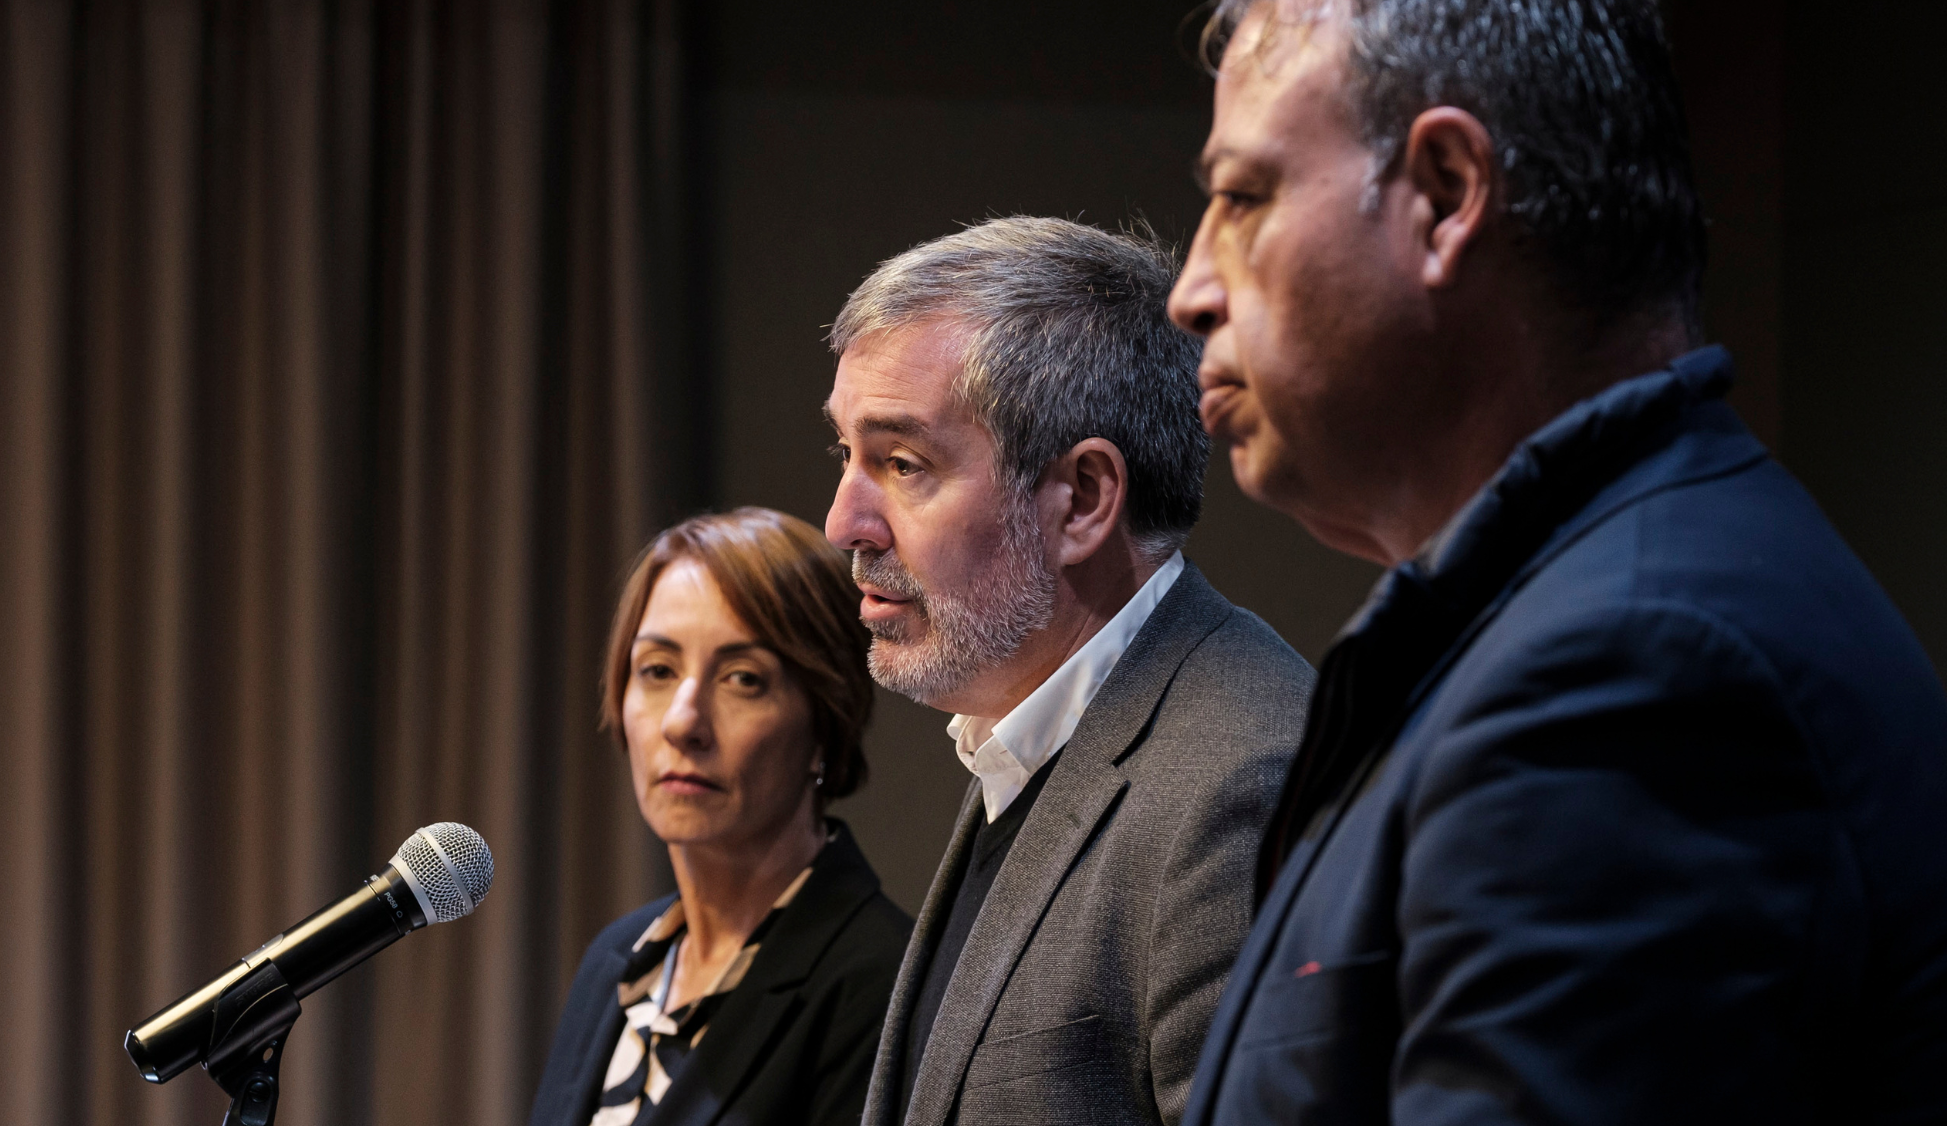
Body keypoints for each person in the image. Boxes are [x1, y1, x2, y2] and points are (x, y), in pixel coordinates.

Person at [1167, 1, 1947, 1123]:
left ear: (1441, 194)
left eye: (1241, 199)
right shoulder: (1567, 618)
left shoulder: (1629, 669)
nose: (1190, 287)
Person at [822, 216, 1316, 1126]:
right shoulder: (1030, 741)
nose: (845, 522)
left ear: (1083, 499)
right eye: (845, 455)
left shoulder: (1242, 784)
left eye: (901, 463)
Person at [528, 508, 912, 1126]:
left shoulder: (886, 986)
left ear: (825, 721)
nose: (682, 721)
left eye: (742, 679)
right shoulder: (615, 961)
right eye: (656, 670)